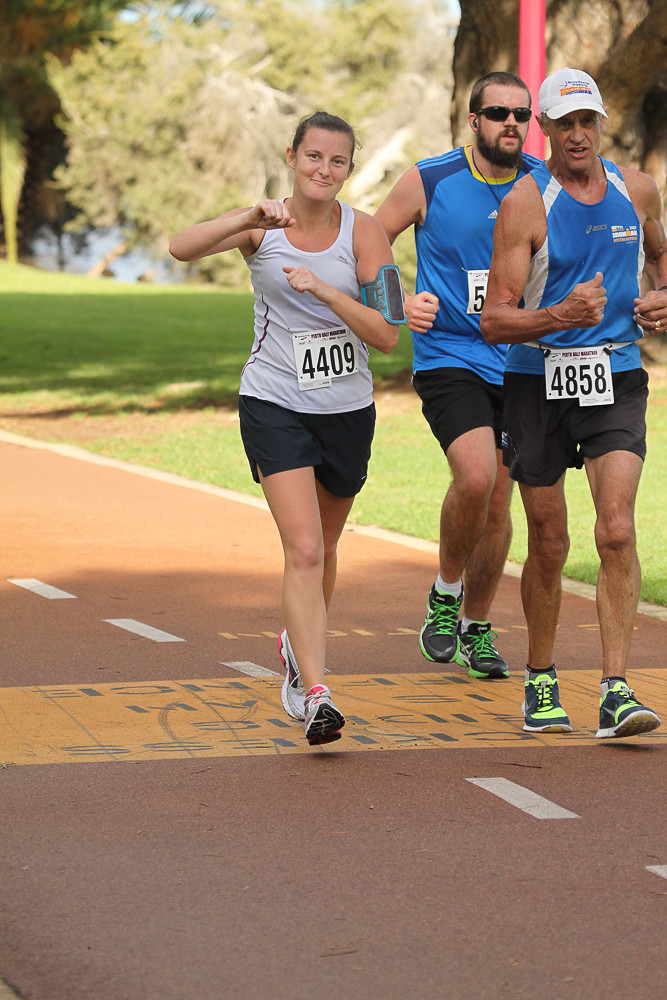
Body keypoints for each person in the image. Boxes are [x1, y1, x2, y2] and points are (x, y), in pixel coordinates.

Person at [169, 111, 401, 746]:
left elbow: (385, 334)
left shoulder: (367, 233)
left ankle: (298, 646)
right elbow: (180, 246)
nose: (323, 171)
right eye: (313, 157)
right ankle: (314, 690)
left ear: (348, 169)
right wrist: (248, 218)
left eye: (337, 161)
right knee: (302, 549)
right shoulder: (263, 227)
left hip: (348, 410)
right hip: (274, 402)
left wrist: (328, 293)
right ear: (292, 156)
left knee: (322, 550)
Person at [480, 68, 665, 738]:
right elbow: (495, 321)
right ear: (546, 131)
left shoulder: (635, 189)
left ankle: (615, 689)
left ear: (599, 123)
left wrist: (658, 297)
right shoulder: (525, 205)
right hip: (536, 382)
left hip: (615, 375)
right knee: (550, 541)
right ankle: (540, 677)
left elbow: (658, 256)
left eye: (586, 121)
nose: (577, 134)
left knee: (614, 529)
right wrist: (558, 313)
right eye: (564, 124)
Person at [375, 72, 541, 680]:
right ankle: (445, 596)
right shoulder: (432, 177)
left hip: (521, 362)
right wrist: (396, 302)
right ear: (474, 120)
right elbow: (369, 237)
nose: (511, 124)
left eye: (522, 114)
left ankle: (476, 626)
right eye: (498, 113)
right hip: (452, 357)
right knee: (475, 477)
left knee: (500, 502)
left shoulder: (543, 185)